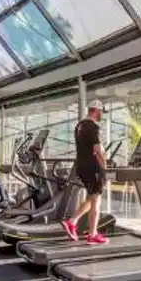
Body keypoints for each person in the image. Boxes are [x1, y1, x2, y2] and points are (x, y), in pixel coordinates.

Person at [61, 101, 110, 245]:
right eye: (101, 112)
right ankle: (92, 234)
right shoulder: (93, 126)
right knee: (96, 200)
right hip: (93, 167)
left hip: (81, 166)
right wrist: (105, 168)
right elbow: (98, 150)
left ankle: (72, 221)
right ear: (97, 111)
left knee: (92, 196)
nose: (101, 115)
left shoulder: (79, 126)